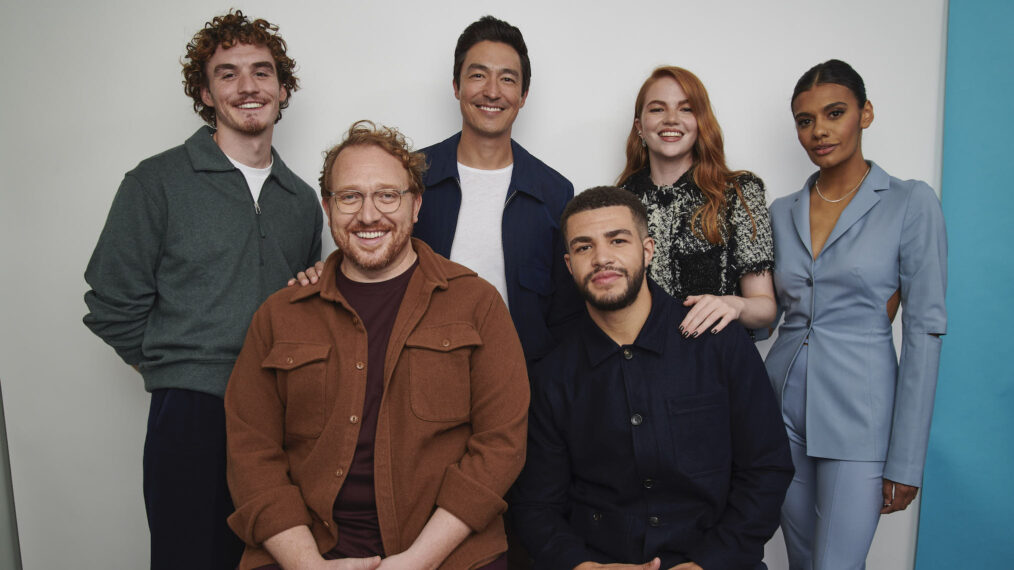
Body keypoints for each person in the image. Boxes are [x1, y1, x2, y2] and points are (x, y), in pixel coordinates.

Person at [225, 120, 529, 570]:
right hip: (302, 554)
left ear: (416, 205)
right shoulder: (279, 314)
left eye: (388, 195)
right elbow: (252, 454)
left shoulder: (477, 304)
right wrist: (309, 565)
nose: (369, 215)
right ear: (328, 207)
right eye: (350, 197)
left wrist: (416, 561)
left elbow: (501, 446)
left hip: (450, 556)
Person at [82, 10, 321, 569]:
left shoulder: (302, 199)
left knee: (275, 557)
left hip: (286, 415)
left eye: (262, 72)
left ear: (282, 89)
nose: (247, 87)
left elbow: (303, 307)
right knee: (190, 557)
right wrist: (178, 371)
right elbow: (110, 304)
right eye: (228, 73)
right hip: (192, 414)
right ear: (206, 93)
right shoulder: (156, 182)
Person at [512, 186, 793, 570]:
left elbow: (767, 470)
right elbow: (536, 505)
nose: (602, 258)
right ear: (568, 263)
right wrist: (582, 566)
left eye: (617, 240)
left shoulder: (719, 344)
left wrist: (708, 563)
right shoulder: (553, 374)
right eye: (583, 247)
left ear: (648, 250)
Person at [765, 59, 947, 569]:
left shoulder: (910, 203)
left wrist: (906, 459)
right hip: (777, 409)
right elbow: (766, 317)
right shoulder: (781, 210)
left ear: (865, 114)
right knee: (801, 562)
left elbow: (924, 333)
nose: (819, 130)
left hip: (860, 412)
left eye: (835, 112)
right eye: (805, 120)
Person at [413, 15, 583, 366]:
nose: (492, 91)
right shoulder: (411, 176)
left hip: (523, 385)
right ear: (456, 86)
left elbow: (566, 314)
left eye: (507, 79)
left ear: (523, 95)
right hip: (421, 375)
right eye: (478, 75)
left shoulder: (554, 191)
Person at [617, 66, 775, 338]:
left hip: (715, 364)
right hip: (640, 364)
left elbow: (765, 308)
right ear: (639, 127)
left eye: (686, 109)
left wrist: (732, 304)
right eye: (657, 109)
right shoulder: (620, 201)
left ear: (701, 121)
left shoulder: (739, 192)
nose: (671, 119)